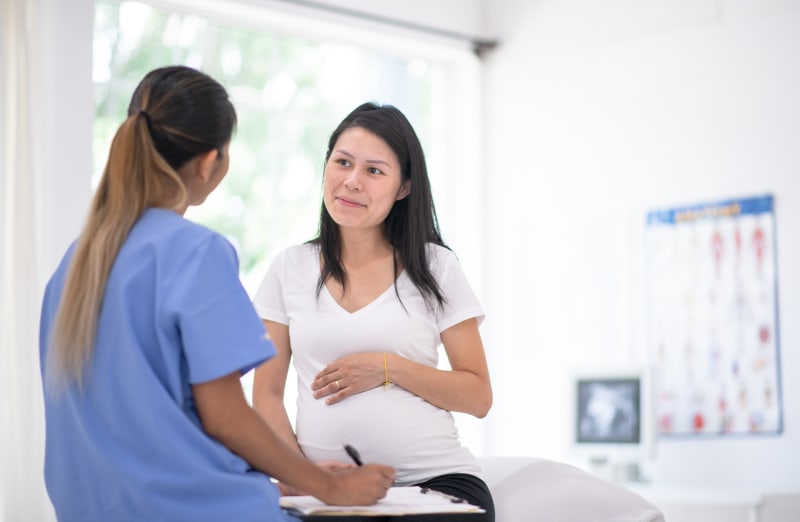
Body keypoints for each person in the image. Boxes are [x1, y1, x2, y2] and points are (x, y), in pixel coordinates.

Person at [39, 66, 394, 522]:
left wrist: (285, 472)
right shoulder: (196, 253)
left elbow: (139, 423)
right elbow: (225, 416)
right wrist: (327, 486)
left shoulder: (76, 264)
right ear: (210, 162)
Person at [252, 102, 495, 520]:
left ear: (404, 188)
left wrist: (389, 368)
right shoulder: (290, 268)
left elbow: (478, 396)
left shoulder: (435, 266)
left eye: (374, 171)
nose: (351, 181)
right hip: (322, 492)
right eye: (342, 163)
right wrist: (301, 474)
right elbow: (266, 394)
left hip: (435, 483)